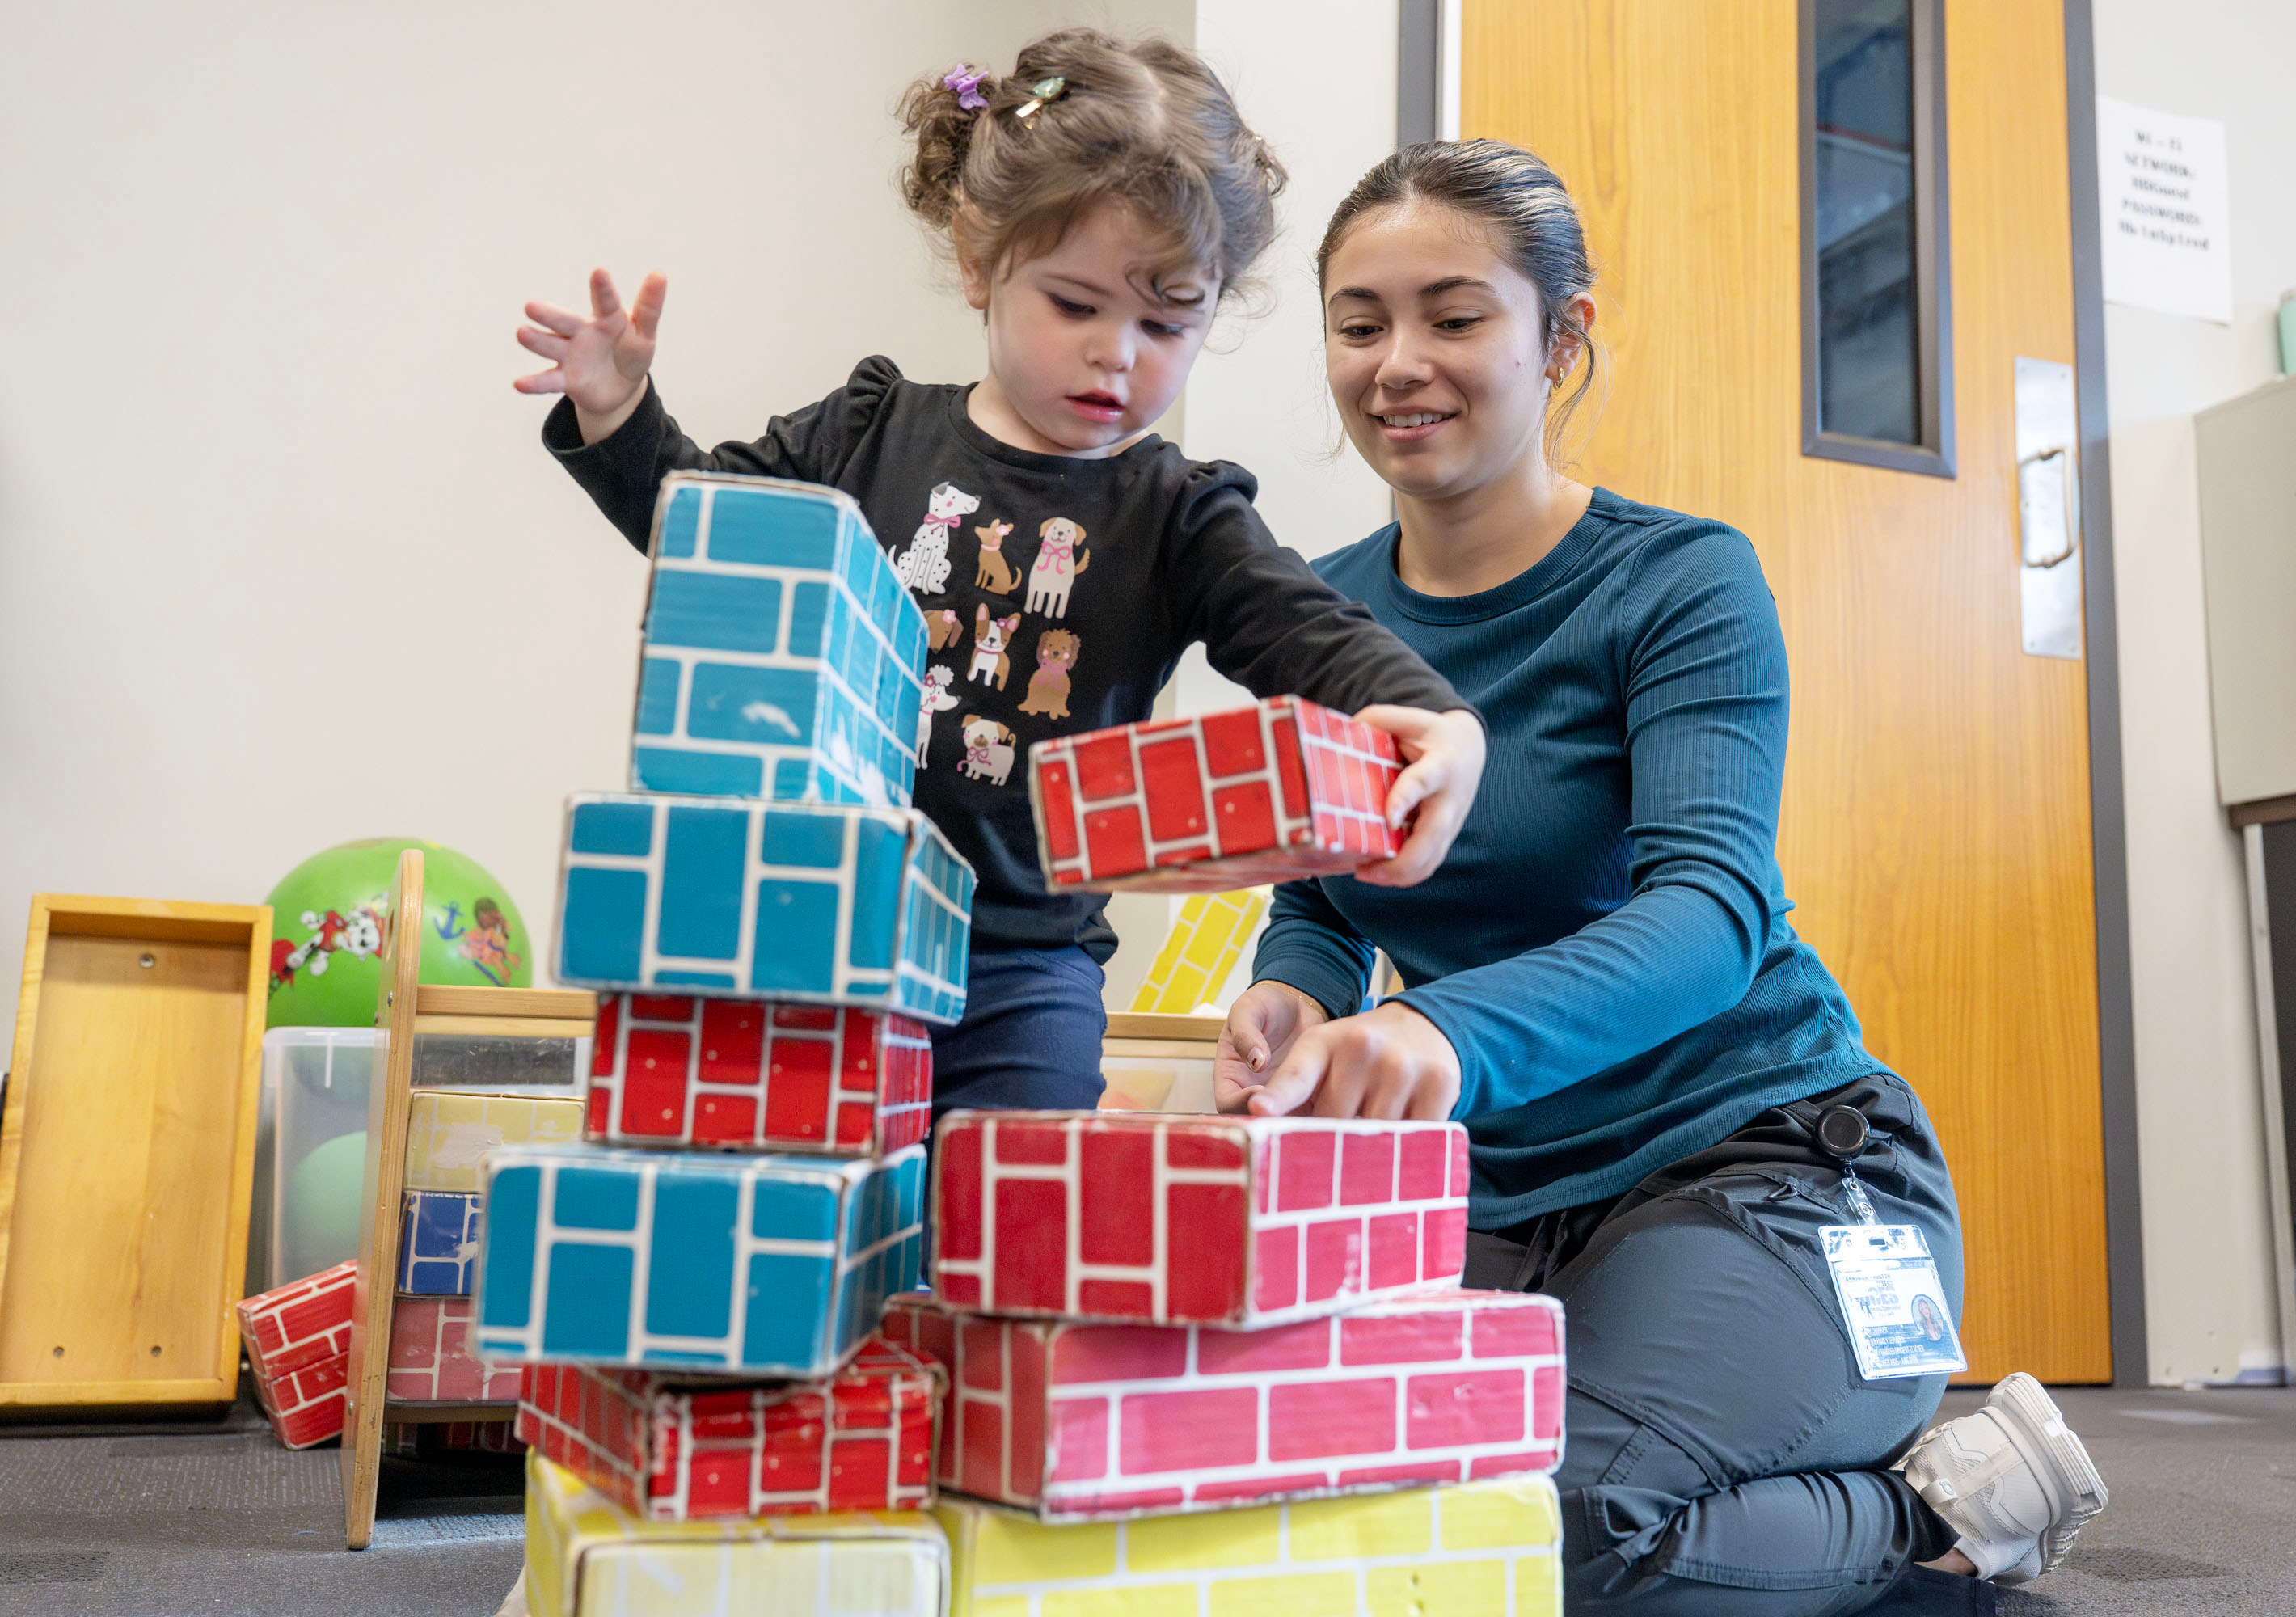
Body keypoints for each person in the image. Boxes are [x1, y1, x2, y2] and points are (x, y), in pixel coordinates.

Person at [1215, 138, 2108, 1614]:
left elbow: (1710, 917)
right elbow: (1324, 895)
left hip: (1768, 1167)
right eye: (1359, 323)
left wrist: (1445, 1032)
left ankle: (1934, 1519)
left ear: (1561, 337)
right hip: (1503, 1196)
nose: (1398, 365)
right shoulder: (1322, 620)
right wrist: (1289, 1001)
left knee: (1548, 1536)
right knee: (1325, 1511)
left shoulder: (1680, 582)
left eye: (1454, 316)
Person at [511, 29, 1485, 1119]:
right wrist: (618, 412)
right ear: (979, 259)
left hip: (1020, 970)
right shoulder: (869, 431)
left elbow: (1308, 632)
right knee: (796, 1200)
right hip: (819, 925)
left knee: (1002, 1232)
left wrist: (1438, 717)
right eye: (1077, 305)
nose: (1119, 351)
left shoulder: (1179, 515)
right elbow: (704, 535)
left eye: (1168, 321)